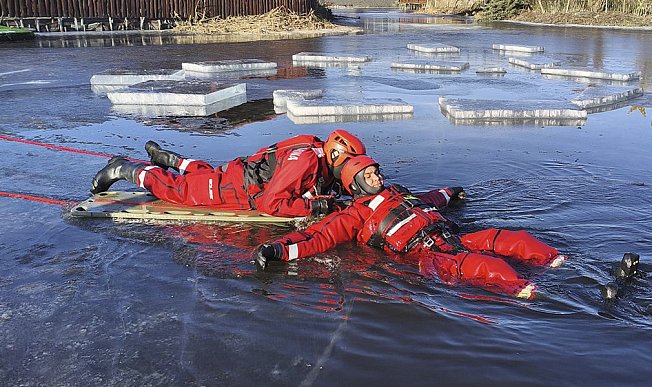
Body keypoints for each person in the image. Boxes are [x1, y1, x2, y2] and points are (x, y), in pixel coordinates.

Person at [254, 156, 567, 300]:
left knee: (509, 238)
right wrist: (279, 249)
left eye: (377, 171)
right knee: (481, 265)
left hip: (450, 234)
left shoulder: (398, 192)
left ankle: (557, 263)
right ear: (356, 182)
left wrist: (449, 193)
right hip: (426, 255)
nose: (378, 176)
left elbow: (427, 199)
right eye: (370, 174)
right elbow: (318, 237)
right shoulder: (354, 214)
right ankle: (525, 290)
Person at [90, 130, 366, 217]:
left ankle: (166, 158)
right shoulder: (303, 162)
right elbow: (271, 204)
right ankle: (123, 167)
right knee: (180, 191)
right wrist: (313, 206)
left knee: (206, 175)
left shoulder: (314, 147)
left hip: (239, 174)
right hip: (237, 190)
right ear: (334, 156)